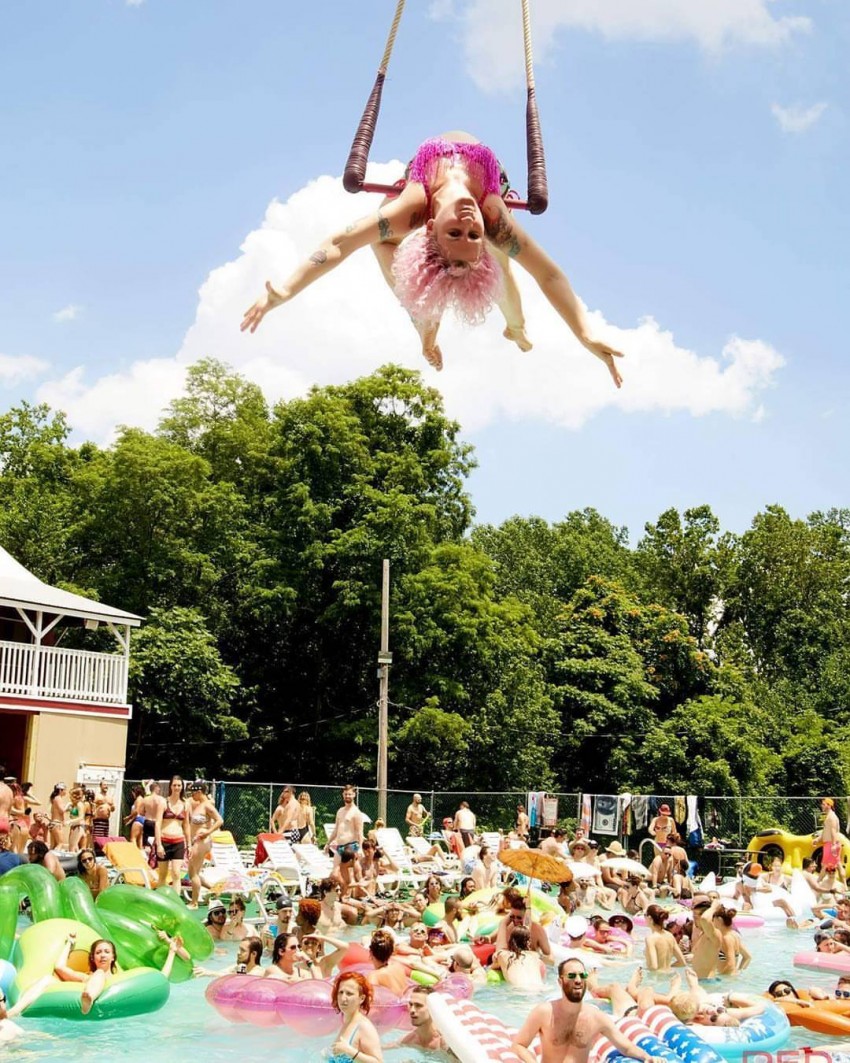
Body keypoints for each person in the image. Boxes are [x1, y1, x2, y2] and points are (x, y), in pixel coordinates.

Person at [241, 131, 625, 385]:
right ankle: (508, 327)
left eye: (454, 233)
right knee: (501, 262)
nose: (467, 221)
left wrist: (286, 290)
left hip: (428, 187)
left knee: (380, 240)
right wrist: (585, 333)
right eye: (471, 235)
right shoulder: (492, 216)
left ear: (428, 229)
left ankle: (455, 324)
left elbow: (342, 242)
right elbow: (549, 275)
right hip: (492, 185)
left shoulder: (412, 208)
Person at [512, 957, 665, 1063]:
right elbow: (518, 1045)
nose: (578, 980)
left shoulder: (596, 1017)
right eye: (572, 976)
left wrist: (647, 1057)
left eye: (582, 975)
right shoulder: (544, 1013)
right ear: (560, 981)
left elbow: (626, 1047)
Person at [328, 970, 383, 1063]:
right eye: (341, 992)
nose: (343, 998)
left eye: (349, 993)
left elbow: (379, 1062)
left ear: (361, 998)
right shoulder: (345, 1020)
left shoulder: (364, 1026)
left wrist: (349, 1051)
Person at [186, 781, 223, 909]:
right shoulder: (200, 805)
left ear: (199, 792)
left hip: (201, 841)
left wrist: (208, 832)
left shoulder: (207, 805)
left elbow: (219, 820)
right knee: (193, 872)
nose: (191, 795)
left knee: (194, 873)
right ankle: (214, 889)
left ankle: (194, 902)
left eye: (193, 793)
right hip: (197, 840)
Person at [155, 775, 189, 889]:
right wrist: (159, 845)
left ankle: (176, 903)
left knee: (176, 873)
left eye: (179, 785)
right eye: (174, 785)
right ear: (170, 786)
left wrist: (189, 844)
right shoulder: (163, 802)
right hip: (164, 841)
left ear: (182, 787)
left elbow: (186, 825)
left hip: (178, 841)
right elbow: (158, 824)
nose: (176, 787)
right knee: (162, 875)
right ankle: (160, 901)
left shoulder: (185, 804)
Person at [326, 785, 365, 866]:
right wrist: (328, 843)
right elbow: (336, 829)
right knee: (335, 872)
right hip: (339, 846)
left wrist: (360, 848)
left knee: (350, 874)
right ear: (343, 795)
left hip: (351, 847)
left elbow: (360, 832)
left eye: (349, 794)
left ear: (354, 795)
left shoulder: (356, 812)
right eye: (346, 794)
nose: (347, 796)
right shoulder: (340, 811)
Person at [397, 985, 445, 1051]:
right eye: (411, 1004)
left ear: (432, 1008)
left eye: (418, 1005)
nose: (412, 1010)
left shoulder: (444, 1042)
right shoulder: (410, 1039)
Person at [643, 904, 686, 972]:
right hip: (668, 976)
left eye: (645, 915)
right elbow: (682, 963)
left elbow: (654, 966)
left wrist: (643, 970)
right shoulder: (670, 936)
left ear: (650, 918)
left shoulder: (651, 939)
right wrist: (667, 967)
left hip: (655, 979)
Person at [819, 798, 844, 883]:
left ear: (829, 805)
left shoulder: (831, 817)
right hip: (829, 844)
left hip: (831, 844)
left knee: (824, 865)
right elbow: (826, 831)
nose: (821, 806)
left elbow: (833, 831)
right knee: (838, 864)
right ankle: (844, 886)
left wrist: (833, 845)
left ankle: (817, 883)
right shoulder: (828, 816)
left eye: (823, 804)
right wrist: (818, 839)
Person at [91, 780, 114, 846]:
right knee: (97, 838)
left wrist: (112, 807)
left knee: (105, 838)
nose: (106, 786)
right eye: (104, 785)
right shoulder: (97, 796)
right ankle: (96, 851)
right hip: (98, 820)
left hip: (106, 821)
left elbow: (113, 808)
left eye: (107, 785)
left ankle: (102, 852)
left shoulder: (110, 797)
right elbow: (93, 805)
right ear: (100, 786)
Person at [124, 784, 147, 849]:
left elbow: (137, 811)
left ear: (136, 792)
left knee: (133, 839)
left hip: (138, 820)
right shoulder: (142, 799)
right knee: (139, 840)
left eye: (133, 793)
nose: (132, 795)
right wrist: (130, 821)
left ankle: (134, 853)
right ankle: (141, 855)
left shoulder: (139, 799)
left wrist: (128, 817)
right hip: (141, 820)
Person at [48, 782, 69, 850]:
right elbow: (62, 810)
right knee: (60, 843)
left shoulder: (54, 798)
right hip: (57, 824)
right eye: (65, 790)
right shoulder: (58, 798)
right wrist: (68, 806)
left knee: (53, 845)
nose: (66, 792)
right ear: (60, 790)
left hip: (54, 823)